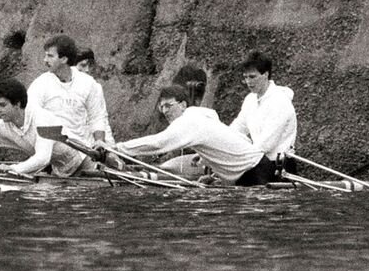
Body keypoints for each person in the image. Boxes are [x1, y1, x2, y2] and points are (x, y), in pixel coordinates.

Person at [113, 85, 279, 186]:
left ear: (183, 105)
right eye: (161, 107)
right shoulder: (201, 117)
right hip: (253, 169)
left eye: (168, 106)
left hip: (257, 172)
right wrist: (214, 174)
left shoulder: (189, 121)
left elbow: (158, 143)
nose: (165, 112)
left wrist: (119, 148)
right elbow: (224, 148)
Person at [27, 34, 108, 146]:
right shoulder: (39, 84)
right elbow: (30, 116)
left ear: (64, 59)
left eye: (50, 56)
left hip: (83, 149)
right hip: (52, 150)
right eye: (46, 55)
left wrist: (99, 141)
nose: (45, 60)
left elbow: (97, 117)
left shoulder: (88, 83)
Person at [229, 51, 297, 164]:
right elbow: (237, 128)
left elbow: (265, 144)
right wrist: (215, 148)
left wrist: (236, 157)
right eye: (245, 77)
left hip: (278, 167)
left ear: (265, 75)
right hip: (259, 163)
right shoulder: (250, 100)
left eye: (252, 77)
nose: (248, 82)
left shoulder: (280, 101)